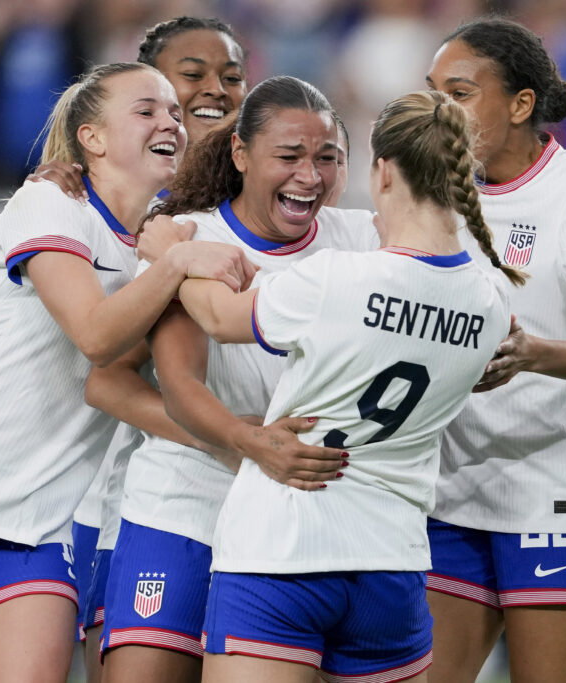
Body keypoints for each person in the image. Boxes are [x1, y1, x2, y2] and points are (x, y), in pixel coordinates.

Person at [0, 61, 256, 683]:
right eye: (146, 110)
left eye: (173, 112)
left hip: (35, 525)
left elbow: (113, 376)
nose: (169, 121)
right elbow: (95, 337)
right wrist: (177, 264)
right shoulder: (50, 201)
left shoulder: (163, 235)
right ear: (92, 138)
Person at [174, 89, 520, 683]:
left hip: (282, 551)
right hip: (392, 564)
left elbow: (218, 317)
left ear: (382, 171)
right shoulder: (490, 300)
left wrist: (171, 254)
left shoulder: (338, 277)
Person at [97, 75, 377, 683]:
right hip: (188, 506)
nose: (310, 175)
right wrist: (236, 440)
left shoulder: (364, 242)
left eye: (327, 158)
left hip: (308, 516)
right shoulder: (188, 239)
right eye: (289, 156)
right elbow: (143, 381)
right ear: (241, 155)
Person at [422, 17, 566, 683]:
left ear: (522, 104)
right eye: (432, 92)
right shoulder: (428, 195)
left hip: (557, 499)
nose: (441, 110)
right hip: (450, 495)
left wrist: (532, 352)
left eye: (460, 93)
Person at [57, 16, 250, 672]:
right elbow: (105, 372)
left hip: (232, 494)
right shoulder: (109, 204)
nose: (214, 91)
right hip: (113, 494)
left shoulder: (265, 201)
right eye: (189, 75)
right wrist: (224, 434)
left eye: (231, 77)